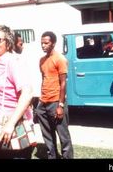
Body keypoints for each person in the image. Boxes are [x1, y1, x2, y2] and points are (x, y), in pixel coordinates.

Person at [0, 25, 33, 159]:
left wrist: (10, 124)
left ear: (8, 44)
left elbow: (27, 93)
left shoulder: (14, 62)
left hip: (11, 128)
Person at [35, 31, 74, 159]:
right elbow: (44, 80)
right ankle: (52, 156)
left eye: (46, 43)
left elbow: (63, 83)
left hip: (56, 102)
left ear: (53, 43)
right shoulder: (42, 60)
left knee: (63, 136)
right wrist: (40, 102)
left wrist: (61, 105)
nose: (43, 46)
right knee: (47, 135)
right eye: (42, 43)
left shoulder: (60, 59)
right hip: (43, 103)